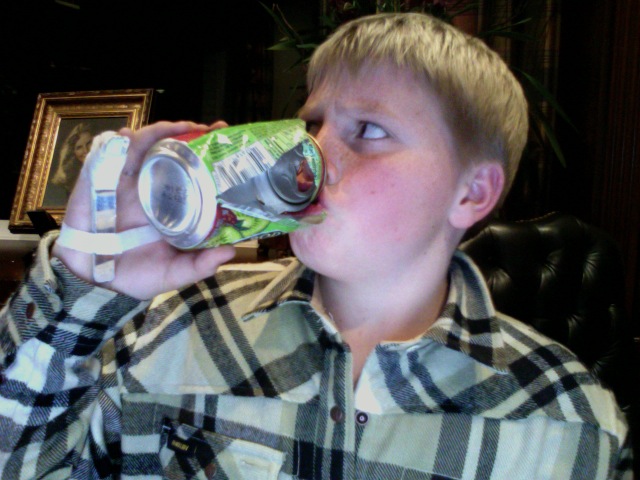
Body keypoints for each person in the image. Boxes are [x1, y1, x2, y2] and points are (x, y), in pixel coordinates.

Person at [0, 12, 632, 479]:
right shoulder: (162, 329)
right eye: (311, 124)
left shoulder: (568, 426)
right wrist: (85, 286)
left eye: (370, 130)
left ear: (472, 192)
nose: (310, 157)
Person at [43, 122, 95, 206]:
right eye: (79, 147)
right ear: (73, 153)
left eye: (89, 143)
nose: (86, 150)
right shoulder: (72, 181)